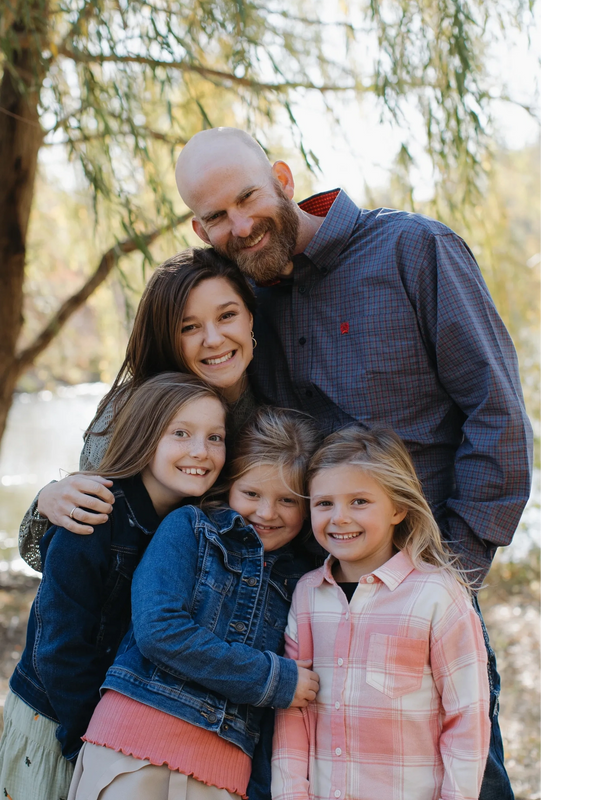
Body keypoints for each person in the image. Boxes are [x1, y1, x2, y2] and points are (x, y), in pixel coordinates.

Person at [174, 127, 534, 798]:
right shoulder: (244, 303)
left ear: (282, 177)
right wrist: (80, 480)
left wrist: (447, 577)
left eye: (248, 197)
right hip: (308, 610)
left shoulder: (414, 250)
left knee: (462, 780)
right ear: (200, 226)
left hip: (425, 595)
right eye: (218, 216)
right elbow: (181, 407)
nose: (242, 225)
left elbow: (499, 417)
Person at [66, 407, 323, 800]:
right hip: (132, 747)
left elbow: (280, 715)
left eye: (287, 500)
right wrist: (270, 679)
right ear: (229, 485)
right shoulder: (189, 528)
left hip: (225, 775)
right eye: (251, 494)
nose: (266, 513)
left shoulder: (304, 580)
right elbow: (160, 631)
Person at [0, 373, 228, 800]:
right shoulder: (92, 517)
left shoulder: (190, 526)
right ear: (144, 436)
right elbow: (59, 650)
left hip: (116, 730)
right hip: (54, 722)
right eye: (181, 433)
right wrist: (89, 743)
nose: (201, 451)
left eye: (215, 437)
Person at [271, 425, 490, 800]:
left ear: (398, 508)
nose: (339, 517)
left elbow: (467, 717)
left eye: (359, 501)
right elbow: (293, 713)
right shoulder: (307, 594)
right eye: (324, 503)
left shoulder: (437, 594)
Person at [18, 247, 258, 572]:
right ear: (166, 337)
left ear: (250, 318)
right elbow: (68, 546)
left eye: (227, 315)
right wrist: (47, 502)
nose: (214, 339)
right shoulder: (129, 411)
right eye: (189, 327)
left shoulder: (274, 394)